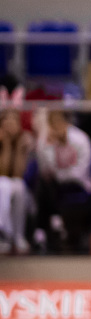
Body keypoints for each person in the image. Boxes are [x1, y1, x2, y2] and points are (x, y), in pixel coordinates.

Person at [33, 110, 91, 253]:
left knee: (52, 186)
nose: (56, 126)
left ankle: (52, 225)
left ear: (66, 122)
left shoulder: (80, 139)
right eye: (52, 123)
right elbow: (44, 169)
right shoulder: (46, 139)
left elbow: (81, 171)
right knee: (43, 184)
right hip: (55, 185)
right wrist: (48, 146)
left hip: (79, 183)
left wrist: (60, 175)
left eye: (59, 122)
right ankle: (52, 225)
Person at [0, 108, 33, 253]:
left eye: (14, 120)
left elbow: (18, 174)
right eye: (6, 120)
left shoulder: (24, 141)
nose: (10, 123)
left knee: (18, 186)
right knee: (3, 184)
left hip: (20, 189)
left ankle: (17, 236)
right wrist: (6, 145)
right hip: (2, 186)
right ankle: (4, 234)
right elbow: (3, 172)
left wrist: (19, 149)